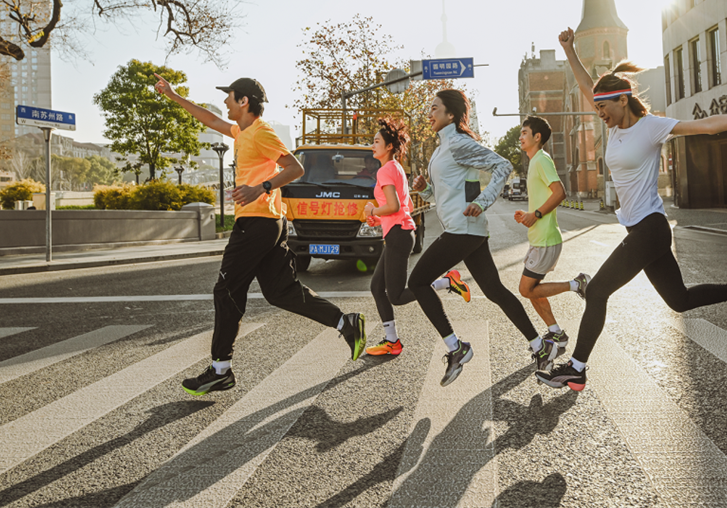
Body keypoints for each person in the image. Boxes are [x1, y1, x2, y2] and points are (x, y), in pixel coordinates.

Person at [537, 29, 727, 392]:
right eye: (597, 109)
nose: (600, 114)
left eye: (604, 108)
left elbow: (706, 126)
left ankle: (576, 368)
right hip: (640, 231)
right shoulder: (613, 128)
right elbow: (586, 85)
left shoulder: (651, 127)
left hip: (650, 228)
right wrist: (570, 50)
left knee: (596, 291)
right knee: (680, 299)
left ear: (622, 100)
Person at [153, 74, 367, 396]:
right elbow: (208, 118)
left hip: (256, 223)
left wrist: (259, 188)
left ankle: (220, 369)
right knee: (281, 292)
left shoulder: (261, 133)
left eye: (230, 96)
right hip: (269, 222)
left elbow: (295, 168)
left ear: (244, 101)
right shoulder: (241, 132)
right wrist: (172, 96)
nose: (225, 101)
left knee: (226, 289)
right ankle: (345, 323)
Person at [407, 89, 555, 386]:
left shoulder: (459, 143)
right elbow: (447, 194)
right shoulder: (441, 148)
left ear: (450, 114)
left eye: (434, 108)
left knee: (417, 282)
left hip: (463, 229)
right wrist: (424, 189)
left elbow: (503, 166)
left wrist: (484, 200)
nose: (429, 113)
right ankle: (540, 346)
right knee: (494, 290)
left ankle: (456, 348)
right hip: (464, 229)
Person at [362, 117, 434, 356]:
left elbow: (393, 206)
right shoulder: (397, 169)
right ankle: (391, 341)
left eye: (376, 141)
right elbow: (407, 206)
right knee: (376, 287)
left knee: (396, 295)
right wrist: (379, 217)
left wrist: (372, 210)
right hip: (400, 233)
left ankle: (446, 283)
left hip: (398, 236)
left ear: (389, 146)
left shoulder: (385, 171)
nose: (372, 145)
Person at [512, 116, 575, 355]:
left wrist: (536, 214)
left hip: (546, 239)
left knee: (526, 290)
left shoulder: (541, 160)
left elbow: (560, 192)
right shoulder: (536, 161)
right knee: (534, 292)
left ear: (537, 137)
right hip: (539, 238)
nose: (521, 136)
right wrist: (528, 215)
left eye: (524, 132)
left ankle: (575, 284)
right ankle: (556, 332)